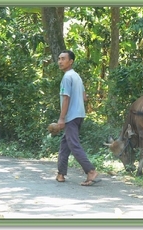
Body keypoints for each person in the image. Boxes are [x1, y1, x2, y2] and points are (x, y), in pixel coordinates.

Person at [55, 50, 101, 186]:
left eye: (63, 59)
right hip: (79, 115)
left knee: (73, 144)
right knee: (65, 144)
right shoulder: (77, 77)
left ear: (71, 61)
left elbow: (66, 98)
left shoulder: (67, 77)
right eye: (59, 58)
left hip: (71, 116)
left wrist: (62, 118)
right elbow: (84, 97)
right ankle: (61, 174)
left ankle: (90, 171)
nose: (60, 61)